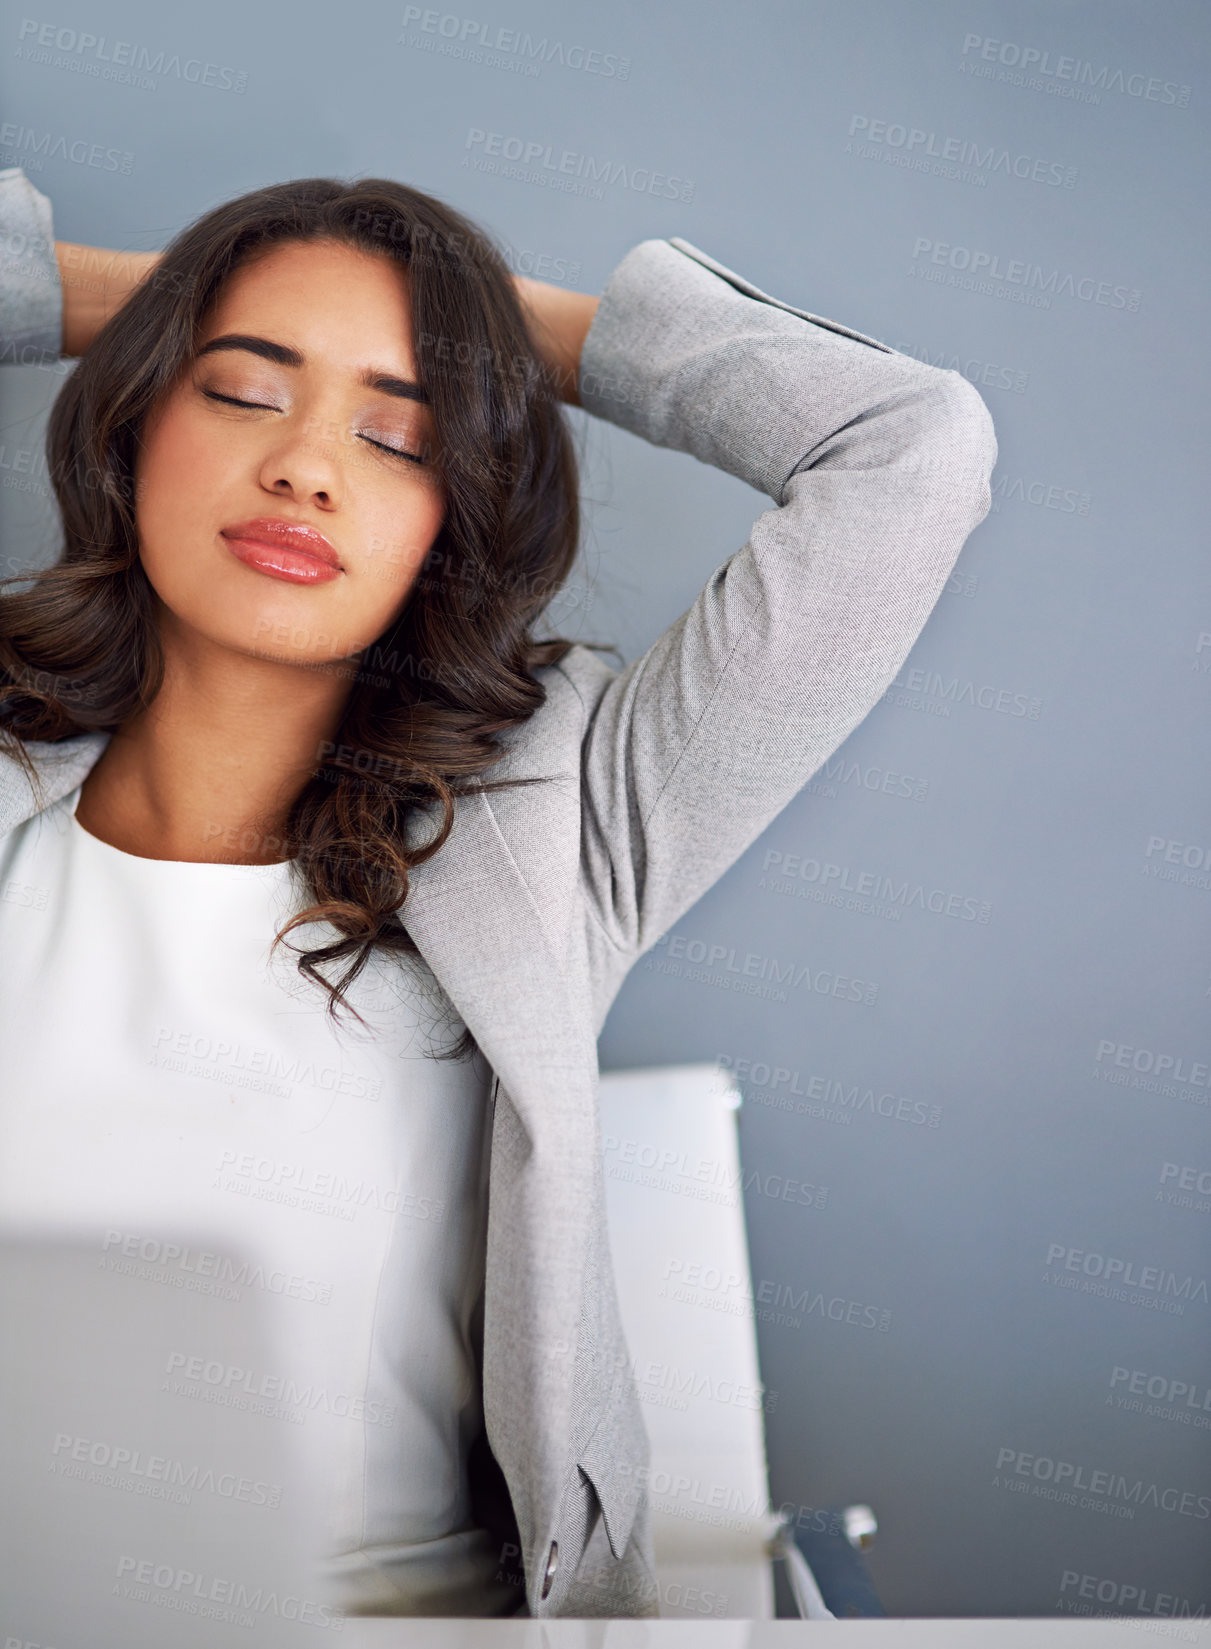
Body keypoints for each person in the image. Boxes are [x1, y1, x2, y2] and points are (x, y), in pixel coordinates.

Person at [0, 163, 998, 1618]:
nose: (308, 466)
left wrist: (480, 327)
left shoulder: (563, 817)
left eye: (398, 432)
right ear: (133, 417)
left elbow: (912, 449)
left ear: (452, 516)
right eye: (238, 390)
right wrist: (173, 294)